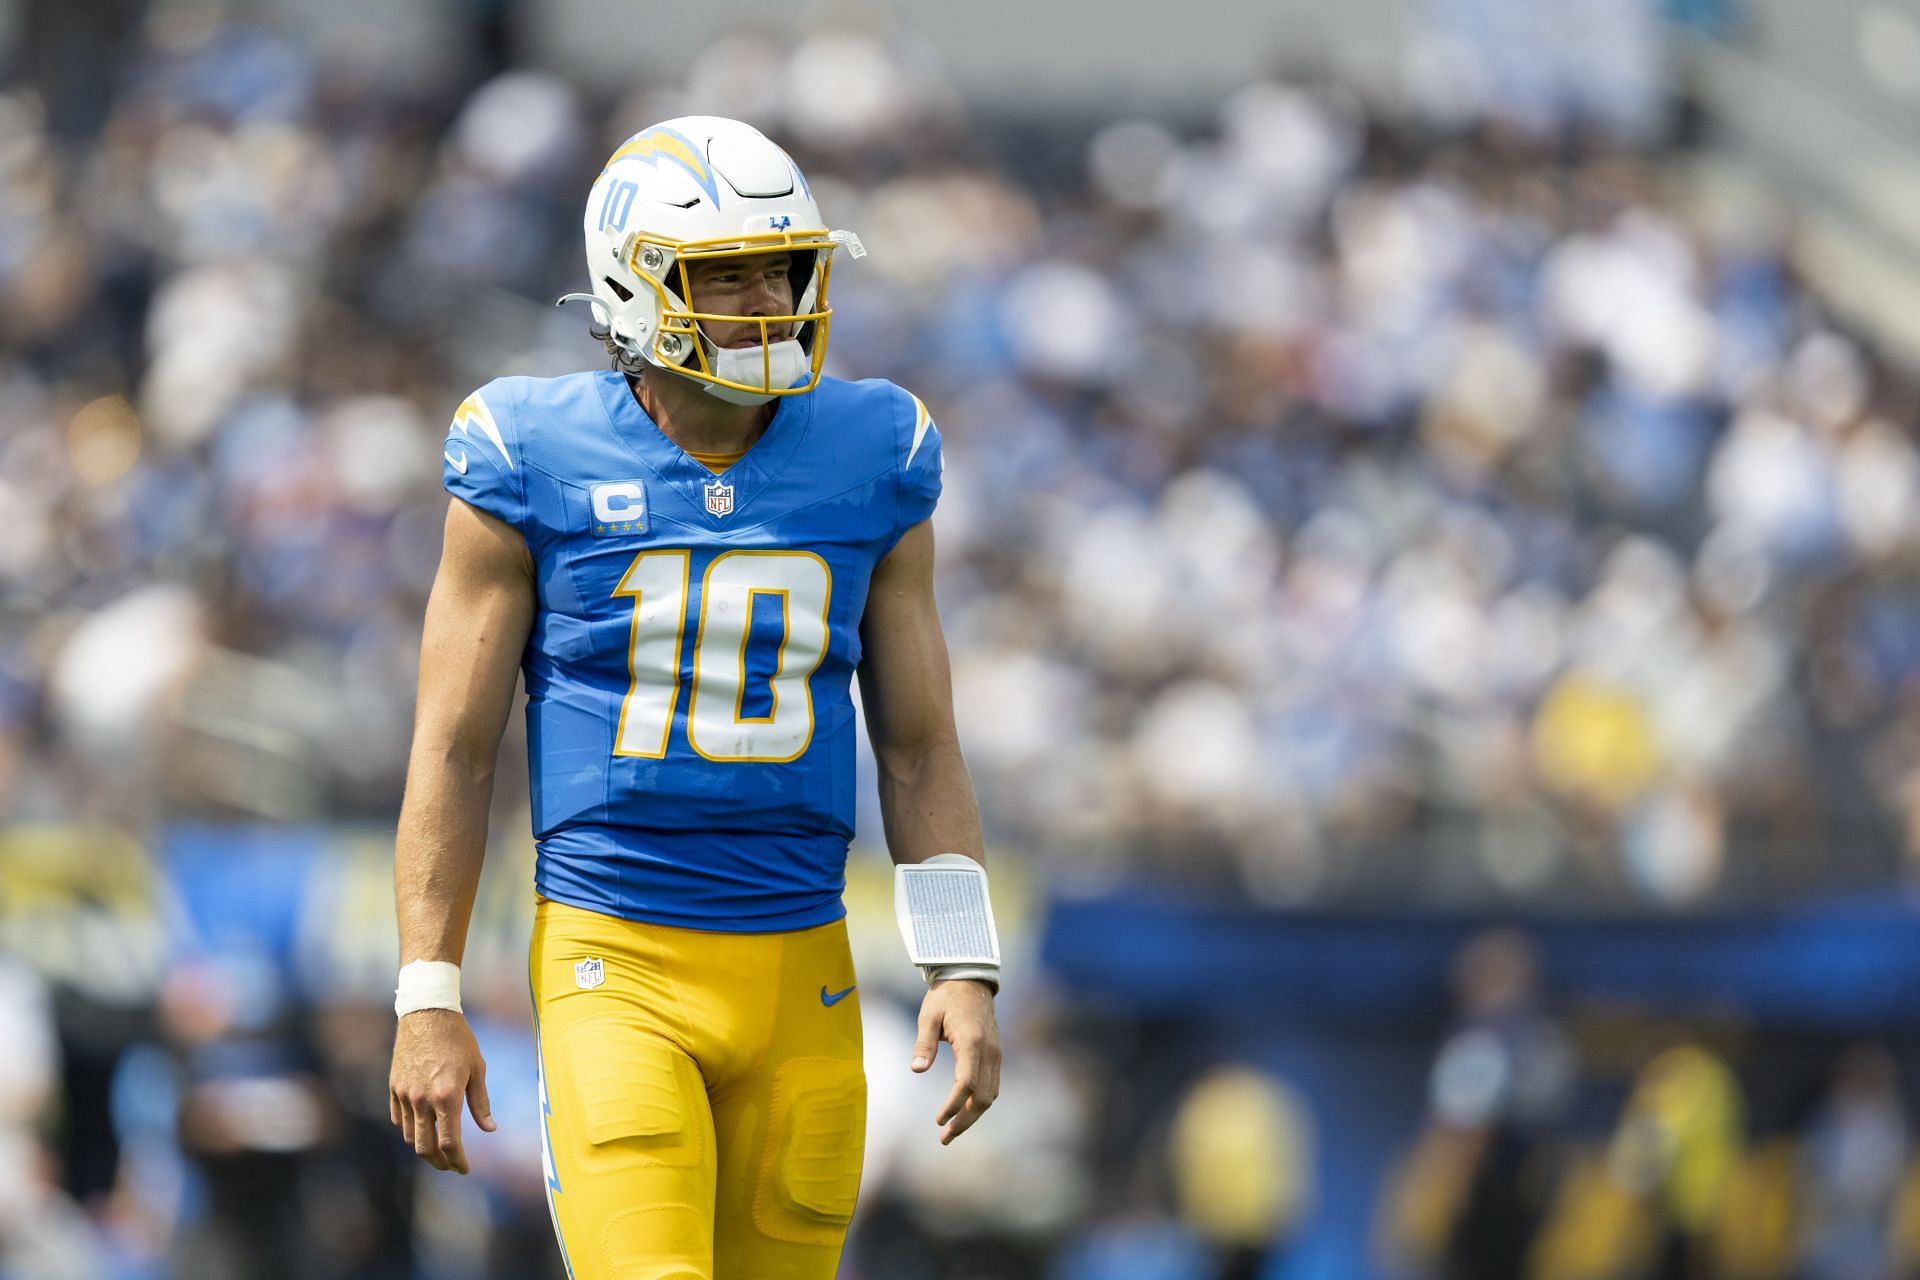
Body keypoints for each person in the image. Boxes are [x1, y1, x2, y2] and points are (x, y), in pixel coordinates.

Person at [385, 116, 1002, 1279]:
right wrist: (428, 993)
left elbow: (918, 747)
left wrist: (959, 966)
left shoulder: (874, 449)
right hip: (614, 956)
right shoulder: (529, 451)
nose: (767, 298)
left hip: (803, 966)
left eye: (782, 266)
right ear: (633, 285)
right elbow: (456, 748)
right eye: (727, 275)